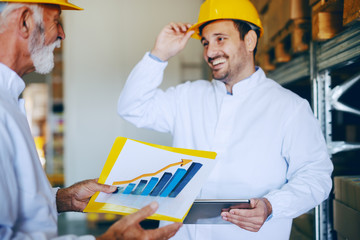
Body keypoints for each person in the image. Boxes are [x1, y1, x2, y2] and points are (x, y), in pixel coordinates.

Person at [117, 0, 333, 239]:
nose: (210, 52)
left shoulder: (289, 107)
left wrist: (272, 205)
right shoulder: (186, 97)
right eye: (205, 42)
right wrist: (158, 55)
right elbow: (132, 108)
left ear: (249, 41)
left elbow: (316, 176)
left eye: (220, 39)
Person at [0, 0, 182, 239]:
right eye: (57, 21)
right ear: (25, 21)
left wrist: (63, 199)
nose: (62, 35)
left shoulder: (9, 101)